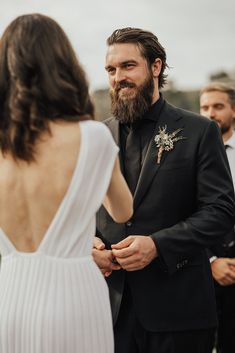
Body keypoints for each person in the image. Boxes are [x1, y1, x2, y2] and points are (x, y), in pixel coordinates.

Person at [92, 27, 235, 353]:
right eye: (111, 70)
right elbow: (80, 211)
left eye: (128, 66)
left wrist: (158, 245)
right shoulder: (95, 137)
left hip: (179, 311)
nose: (118, 78)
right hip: (109, 312)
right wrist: (89, 243)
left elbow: (221, 211)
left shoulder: (199, 131)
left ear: (156, 67)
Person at [0, 14, 133, 353]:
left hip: (9, 296)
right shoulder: (93, 137)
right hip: (72, 295)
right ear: (63, 65)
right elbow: (122, 211)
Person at [200, 82, 235, 353]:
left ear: (233, 110)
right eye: (204, 107)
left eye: (218, 106)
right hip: (202, 270)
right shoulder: (190, 154)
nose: (211, 113)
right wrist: (210, 260)